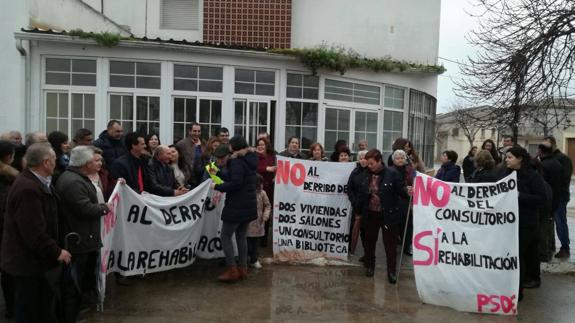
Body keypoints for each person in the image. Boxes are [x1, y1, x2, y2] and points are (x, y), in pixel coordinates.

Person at [1, 143, 72, 322]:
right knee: (30, 311)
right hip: (28, 264)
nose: (57, 163)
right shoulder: (28, 188)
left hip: (36, 262)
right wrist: (57, 251)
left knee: (42, 308)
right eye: (54, 160)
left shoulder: (38, 183)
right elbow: (32, 231)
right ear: (46, 163)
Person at [55, 146, 111, 322]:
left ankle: (75, 311)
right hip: (78, 240)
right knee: (73, 283)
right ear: (86, 163)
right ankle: (70, 316)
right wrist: (104, 208)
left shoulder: (77, 178)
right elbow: (83, 208)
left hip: (83, 237)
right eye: (96, 160)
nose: (99, 163)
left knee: (78, 281)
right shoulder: (74, 182)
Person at [211, 136, 258, 282]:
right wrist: (217, 173)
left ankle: (232, 270)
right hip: (248, 205)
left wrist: (217, 186)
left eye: (231, 145)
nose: (229, 147)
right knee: (241, 235)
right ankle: (243, 268)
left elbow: (235, 184)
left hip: (237, 206)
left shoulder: (237, 162)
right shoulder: (250, 160)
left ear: (235, 147)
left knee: (225, 236)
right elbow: (235, 179)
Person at [505, 146, 547, 301]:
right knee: (521, 255)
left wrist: (519, 195)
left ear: (519, 159)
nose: (506, 160)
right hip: (511, 222)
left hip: (527, 223)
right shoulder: (507, 174)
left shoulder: (532, 176)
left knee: (519, 256)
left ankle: (518, 290)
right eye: (506, 157)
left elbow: (541, 199)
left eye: (509, 157)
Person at [360, 149, 409, 283]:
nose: (369, 166)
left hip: (388, 215)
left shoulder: (392, 173)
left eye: (371, 163)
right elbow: (361, 191)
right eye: (368, 163)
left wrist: (409, 192)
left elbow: (402, 192)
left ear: (379, 161)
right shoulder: (366, 174)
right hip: (371, 214)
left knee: (390, 245)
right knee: (370, 242)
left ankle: (391, 271)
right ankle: (370, 266)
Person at [543, 136, 572, 259]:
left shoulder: (563, 158)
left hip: (559, 196)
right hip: (548, 196)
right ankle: (550, 246)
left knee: (560, 222)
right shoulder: (545, 158)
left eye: (547, 145)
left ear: (554, 145)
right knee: (549, 222)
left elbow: (565, 178)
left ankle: (565, 247)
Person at [0, 141, 18, 319]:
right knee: (8, 271)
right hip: (5, 233)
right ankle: (12, 308)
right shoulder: (9, 181)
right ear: (8, 157)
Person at [390, 149, 415, 256]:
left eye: (402, 158)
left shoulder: (410, 170)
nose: (400, 160)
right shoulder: (390, 170)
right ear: (393, 160)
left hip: (406, 202)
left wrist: (412, 187)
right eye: (397, 158)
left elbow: (416, 182)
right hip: (394, 201)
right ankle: (393, 245)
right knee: (395, 225)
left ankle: (407, 246)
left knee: (407, 225)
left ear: (405, 159)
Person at [346, 150, 369, 258]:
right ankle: (350, 249)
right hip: (356, 205)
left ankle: (367, 254)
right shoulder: (355, 171)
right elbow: (349, 187)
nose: (363, 160)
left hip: (368, 207)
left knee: (366, 232)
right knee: (352, 229)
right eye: (361, 158)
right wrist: (353, 200)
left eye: (365, 158)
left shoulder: (371, 172)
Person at [246, 174, 271, 269]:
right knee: (247, 241)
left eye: (261, 183)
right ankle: (247, 258)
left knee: (255, 242)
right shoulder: (247, 192)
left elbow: (268, 205)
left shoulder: (263, 193)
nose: (260, 185)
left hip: (258, 222)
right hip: (248, 222)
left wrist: (265, 216)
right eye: (258, 184)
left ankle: (254, 259)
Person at [255, 137, 276, 247]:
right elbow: (254, 167)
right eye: (259, 144)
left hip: (269, 189)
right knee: (257, 213)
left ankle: (264, 240)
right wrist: (267, 168)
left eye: (263, 144)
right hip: (258, 189)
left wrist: (275, 175)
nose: (261, 146)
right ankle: (256, 239)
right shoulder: (254, 156)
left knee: (267, 213)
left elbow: (276, 169)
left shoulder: (272, 156)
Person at [176, 122, 203, 187]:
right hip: (188, 181)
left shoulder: (204, 144)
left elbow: (208, 161)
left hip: (202, 180)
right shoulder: (181, 144)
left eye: (199, 131)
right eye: (194, 131)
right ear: (189, 131)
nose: (197, 133)